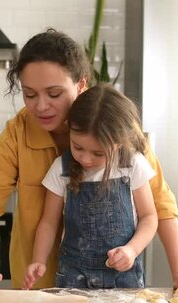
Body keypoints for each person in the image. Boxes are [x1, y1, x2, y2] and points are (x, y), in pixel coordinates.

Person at [0, 28, 178, 292]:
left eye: (54, 93)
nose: (41, 106)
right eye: (29, 94)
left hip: (115, 287)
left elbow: (160, 206)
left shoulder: (117, 129)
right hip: (38, 290)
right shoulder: (17, 133)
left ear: (81, 84)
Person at [24, 84, 157, 289]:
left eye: (99, 153)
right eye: (78, 147)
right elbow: (48, 223)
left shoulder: (133, 165)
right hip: (73, 276)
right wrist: (38, 259)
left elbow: (149, 217)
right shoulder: (61, 168)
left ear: (120, 142)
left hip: (123, 277)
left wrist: (131, 250)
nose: (85, 159)